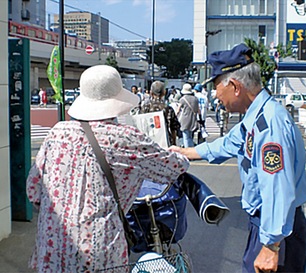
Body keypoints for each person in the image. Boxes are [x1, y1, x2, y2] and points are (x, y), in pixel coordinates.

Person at [26, 65, 189, 273]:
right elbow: (174, 167)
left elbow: (33, 190)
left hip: (51, 247)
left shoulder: (57, 133)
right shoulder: (124, 137)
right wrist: (180, 152)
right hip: (98, 251)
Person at [169, 43, 306, 273]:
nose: (215, 95)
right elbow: (227, 144)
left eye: (216, 87)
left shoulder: (269, 123)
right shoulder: (254, 118)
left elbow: (277, 186)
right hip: (268, 226)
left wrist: (271, 246)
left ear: (234, 86)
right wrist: (184, 152)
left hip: (278, 230)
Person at [140, 80, 180, 146]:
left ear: (151, 92)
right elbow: (174, 129)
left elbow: (141, 124)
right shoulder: (167, 108)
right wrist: (174, 143)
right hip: (165, 141)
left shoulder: (145, 107)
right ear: (164, 93)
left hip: (149, 141)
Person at [176, 83, 199, 148]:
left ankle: (187, 152)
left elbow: (178, 110)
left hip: (184, 120)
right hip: (193, 119)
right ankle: (191, 150)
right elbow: (198, 110)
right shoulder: (195, 99)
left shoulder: (182, 99)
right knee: (190, 137)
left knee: (185, 137)